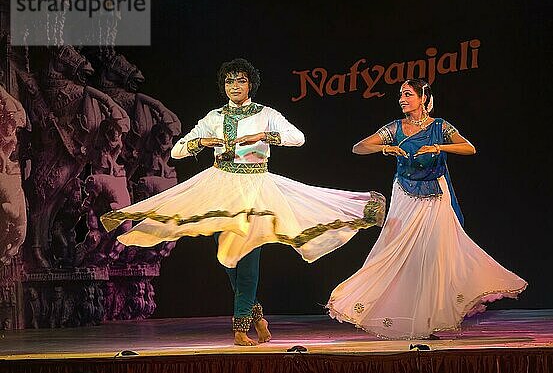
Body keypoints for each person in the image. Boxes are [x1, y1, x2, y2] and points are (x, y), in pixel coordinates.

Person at [101, 58, 385, 346]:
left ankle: (240, 327)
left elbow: (297, 138)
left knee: (246, 255)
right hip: (220, 188)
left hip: (255, 189)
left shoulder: (266, 114)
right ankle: (257, 316)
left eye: (240, 81)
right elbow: (176, 151)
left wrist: (265, 135)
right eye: (229, 81)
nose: (234, 86)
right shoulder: (213, 117)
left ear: (251, 85)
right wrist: (201, 143)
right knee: (227, 257)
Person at [326, 79, 527, 340]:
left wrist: (439, 146)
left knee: (433, 256)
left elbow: (469, 147)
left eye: (408, 94)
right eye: (400, 94)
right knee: (395, 253)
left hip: (436, 196)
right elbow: (359, 147)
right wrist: (384, 147)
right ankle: (386, 311)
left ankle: (428, 321)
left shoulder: (440, 127)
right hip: (404, 196)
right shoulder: (395, 128)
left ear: (423, 98)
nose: (402, 99)